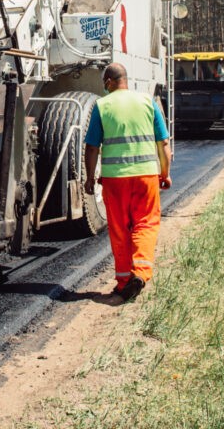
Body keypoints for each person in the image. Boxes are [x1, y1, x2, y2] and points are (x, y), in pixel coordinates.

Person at [84, 62, 172, 301]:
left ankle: (124, 281)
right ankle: (140, 274)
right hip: (146, 177)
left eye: (105, 83)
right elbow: (164, 144)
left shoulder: (102, 106)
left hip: (115, 180)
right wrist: (165, 173)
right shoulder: (147, 102)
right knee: (145, 224)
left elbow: (92, 147)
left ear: (110, 82)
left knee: (120, 229)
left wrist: (90, 178)